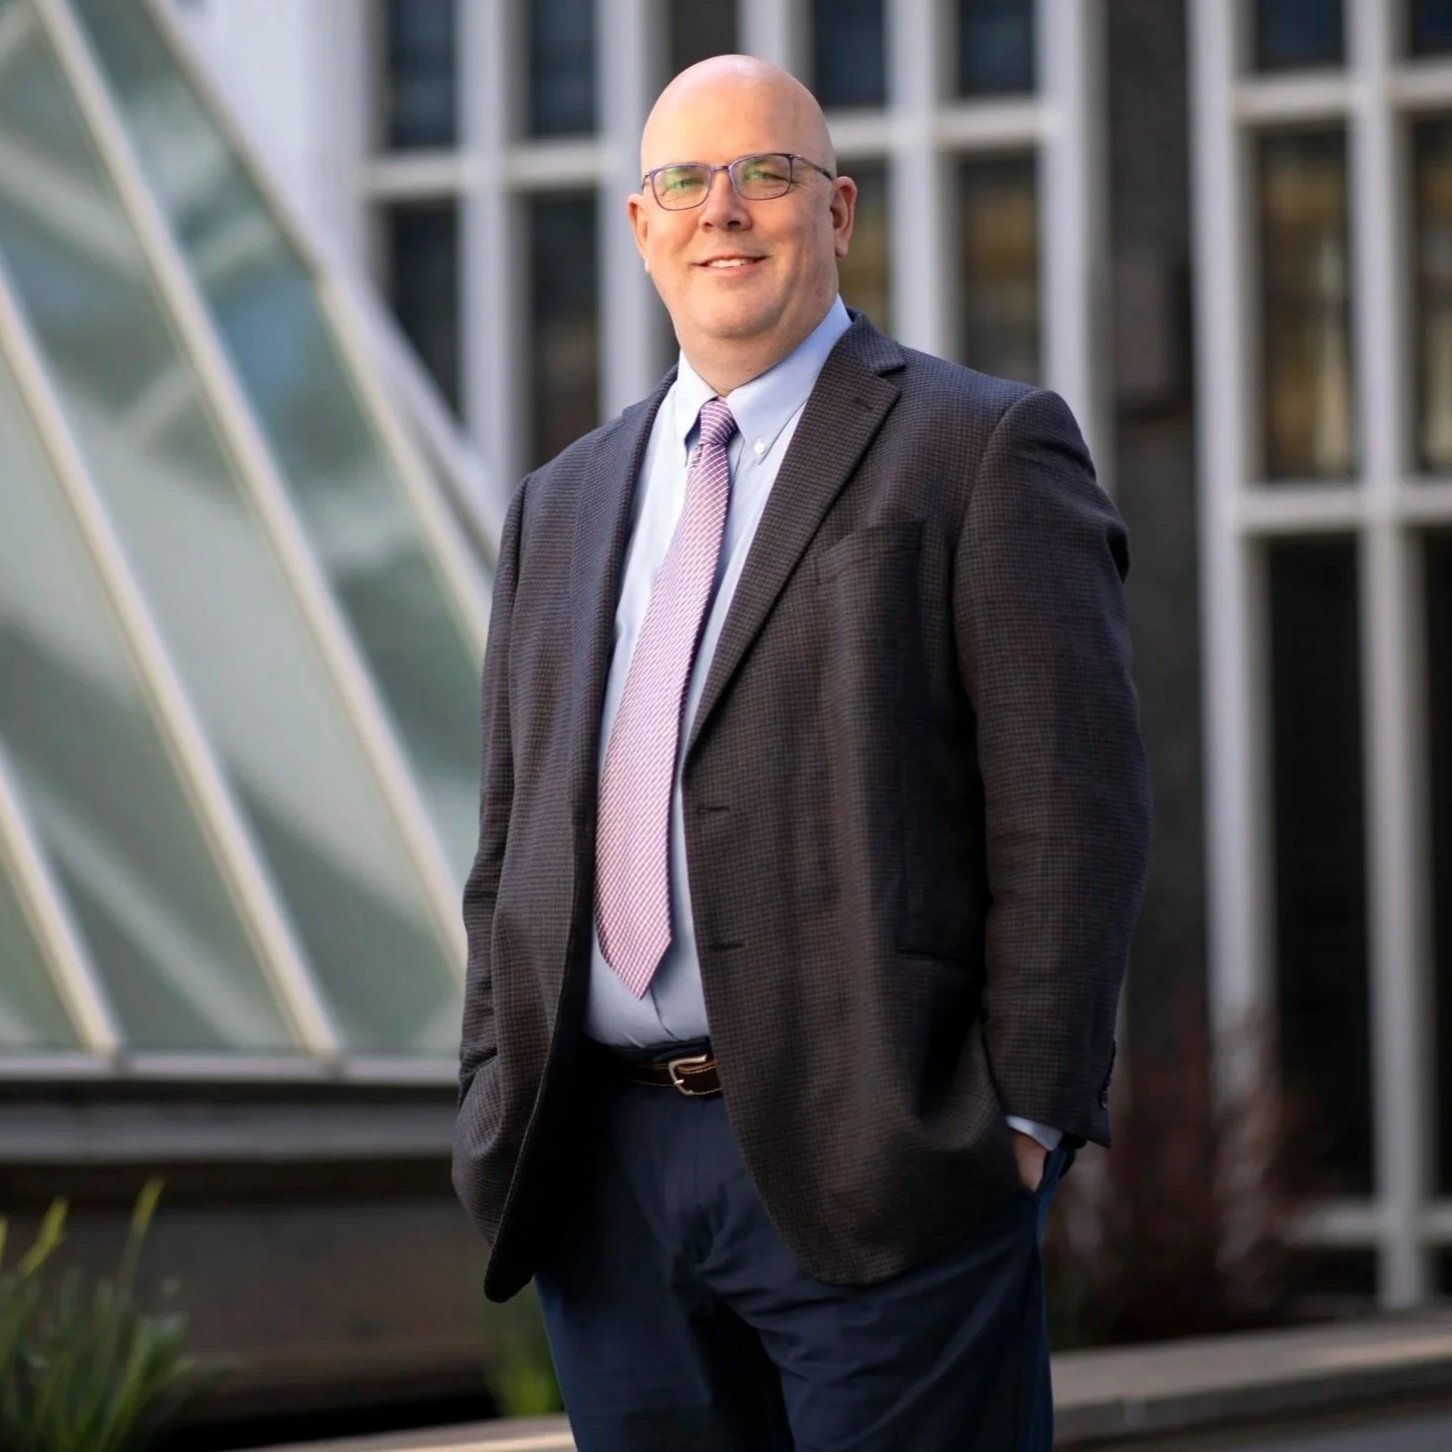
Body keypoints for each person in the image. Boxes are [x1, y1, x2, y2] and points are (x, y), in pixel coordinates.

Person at [453, 53, 1151, 1452]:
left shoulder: (980, 449)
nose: (727, 210)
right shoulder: (561, 501)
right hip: (605, 1176)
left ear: (838, 212)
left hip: (883, 1159)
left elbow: (1073, 818)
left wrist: (1018, 1126)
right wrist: (494, 1080)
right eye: (686, 183)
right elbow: (512, 841)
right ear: (642, 227)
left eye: (766, 175)